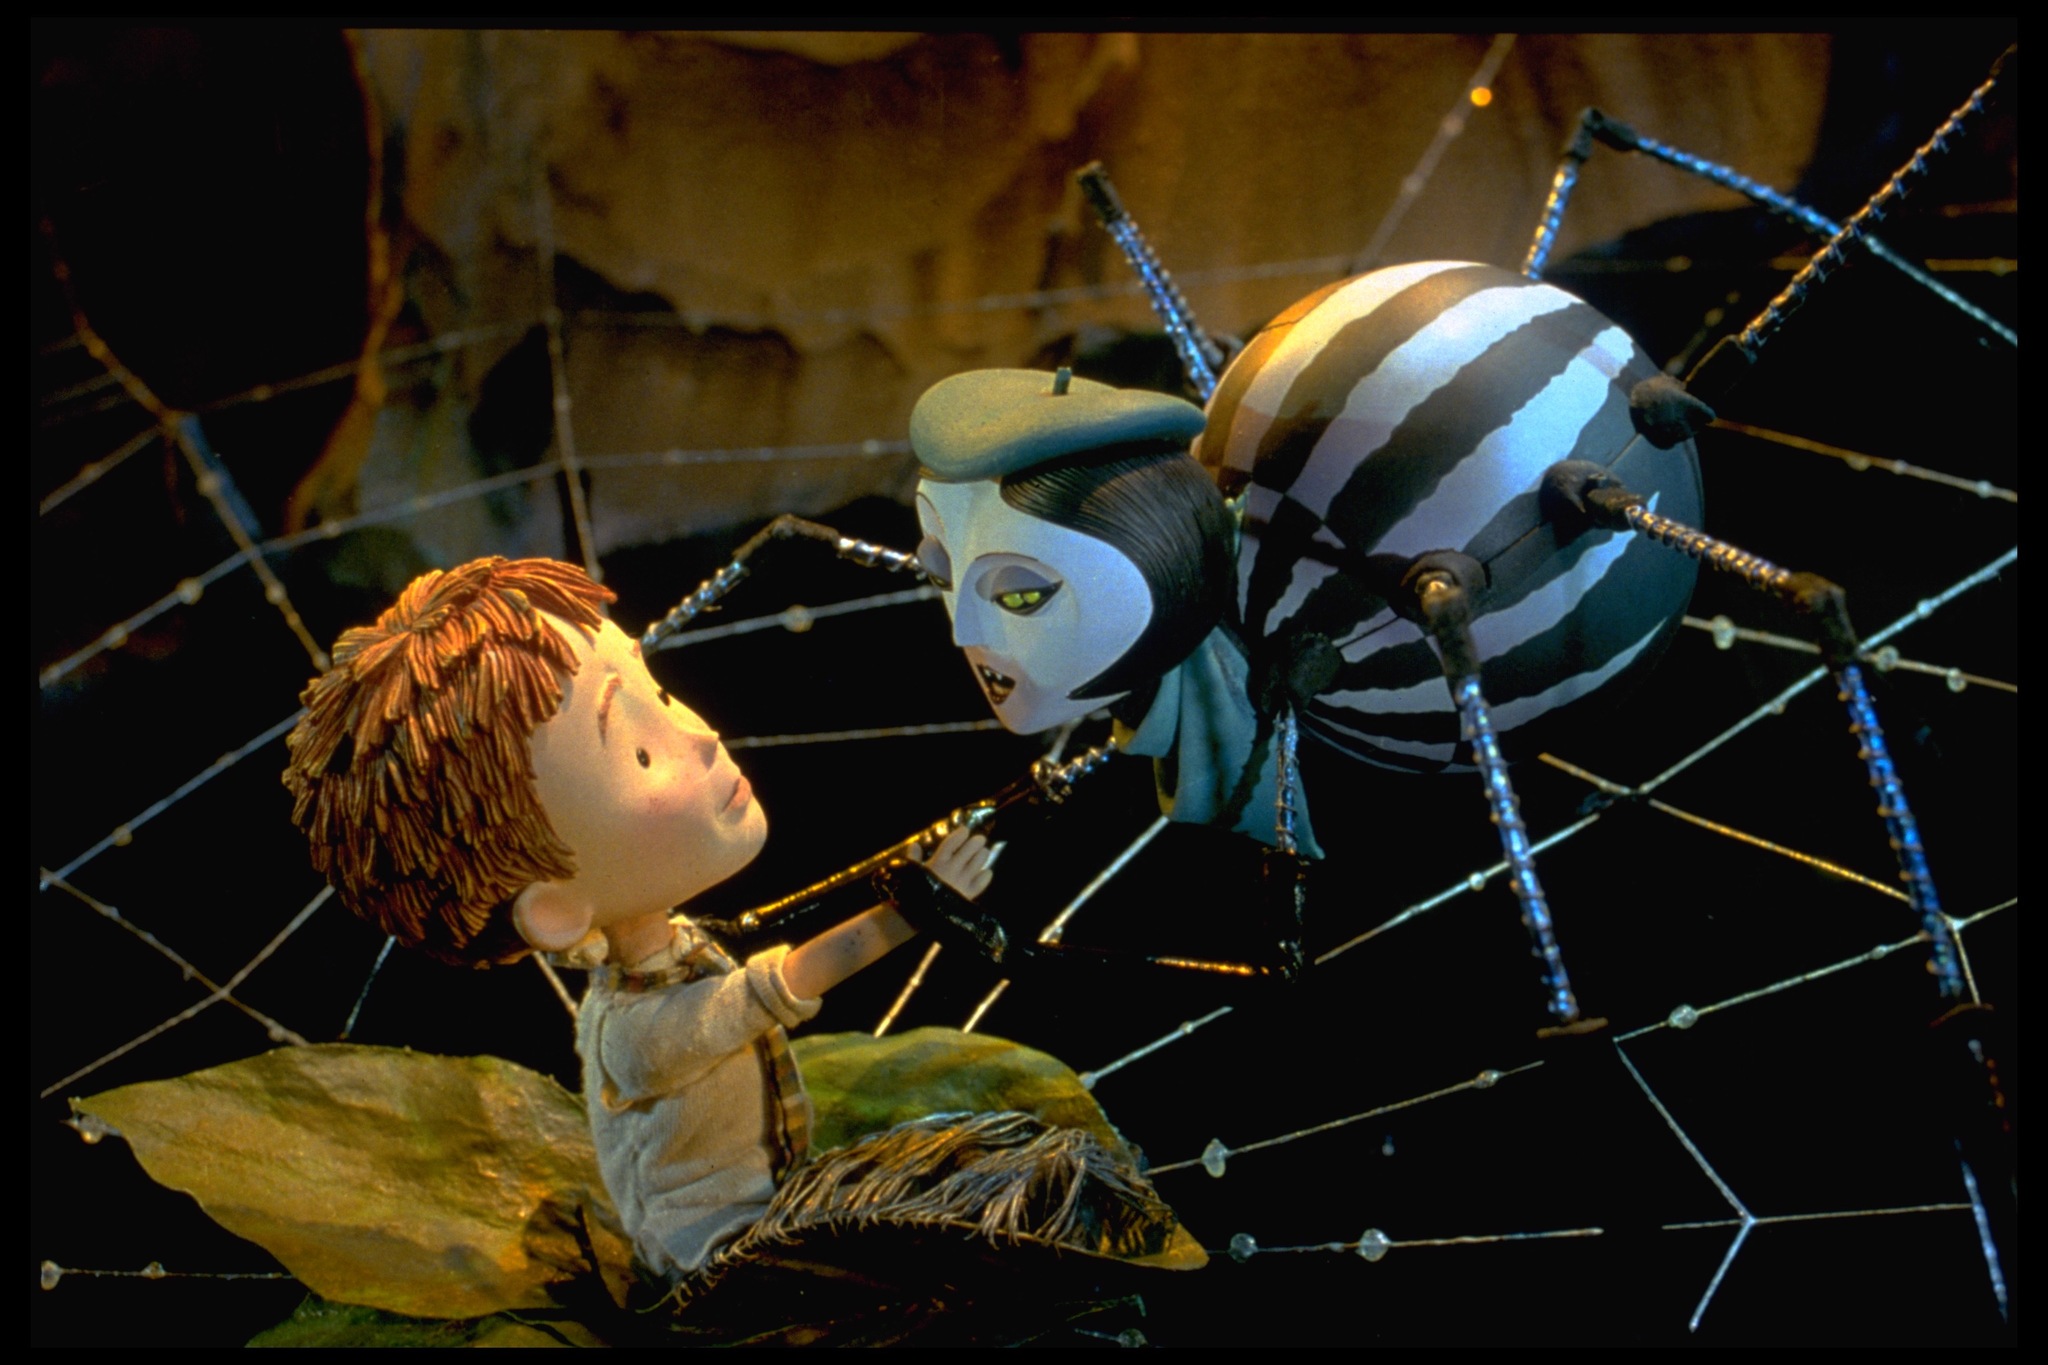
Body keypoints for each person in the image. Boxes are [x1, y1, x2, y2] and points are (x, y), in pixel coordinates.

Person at [281, 557, 1175, 1291]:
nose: (701, 734)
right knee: (985, 1222)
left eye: (660, 696)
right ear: (555, 909)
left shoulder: (674, 955)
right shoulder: (636, 1032)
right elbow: (782, 985)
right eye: (635, 749)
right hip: (722, 1256)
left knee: (987, 1167)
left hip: (771, 1196)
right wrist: (912, 910)